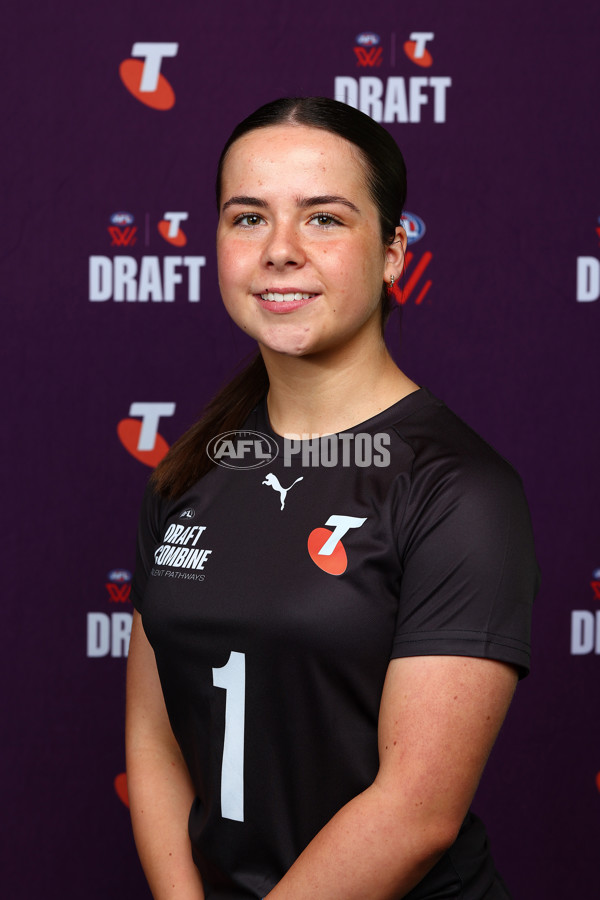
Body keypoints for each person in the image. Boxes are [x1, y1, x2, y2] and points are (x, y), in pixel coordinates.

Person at [125, 97, 539, 900]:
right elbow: (154, 737)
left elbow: (416, 812)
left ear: (393, 252)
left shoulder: (459, 490)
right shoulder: (188, 473)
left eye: (323, 219)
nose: (279, 251)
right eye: (248, 217)